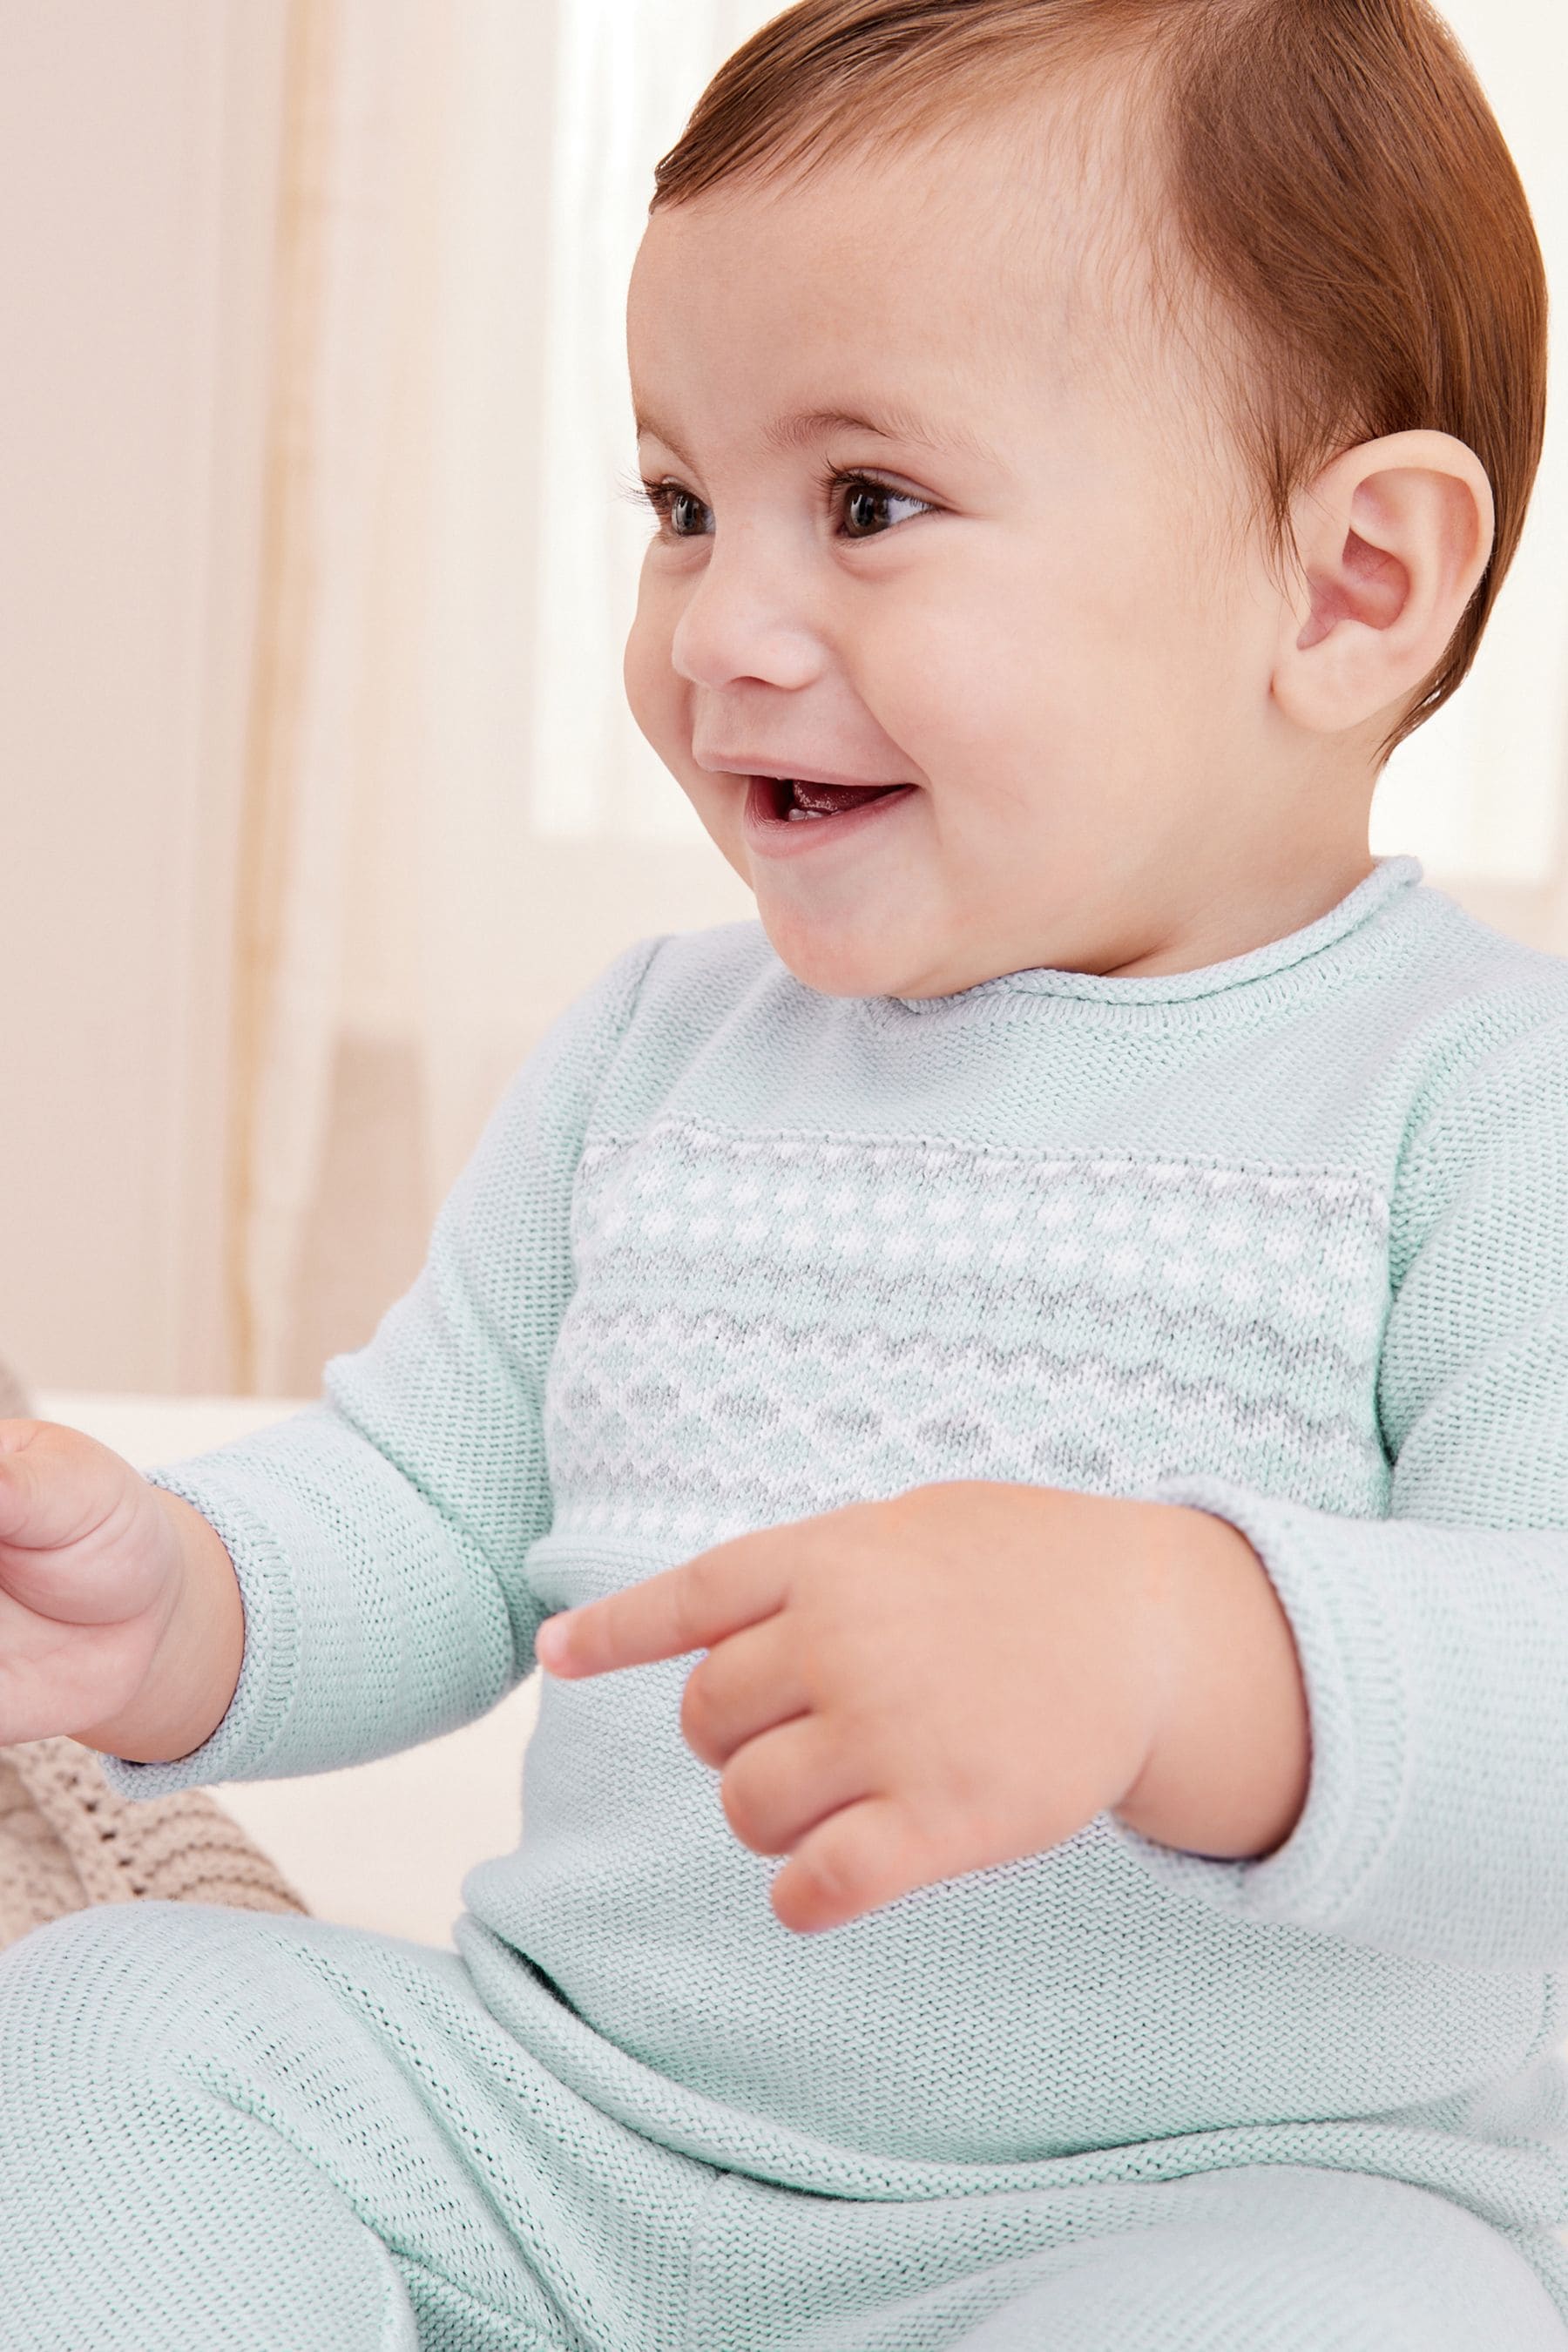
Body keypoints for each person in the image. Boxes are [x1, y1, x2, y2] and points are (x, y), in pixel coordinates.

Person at [2, 1, 1565, 2343]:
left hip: (1191, 2202)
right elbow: (437, 1514)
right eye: (676, 504)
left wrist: (1176, 1642)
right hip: (571, 2137)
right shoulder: (657, 1051)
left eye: (867, 504)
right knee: (116, 2021)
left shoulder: (1477, 1099)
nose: (721, 629)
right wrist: (182, 1600)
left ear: (1347, 587)